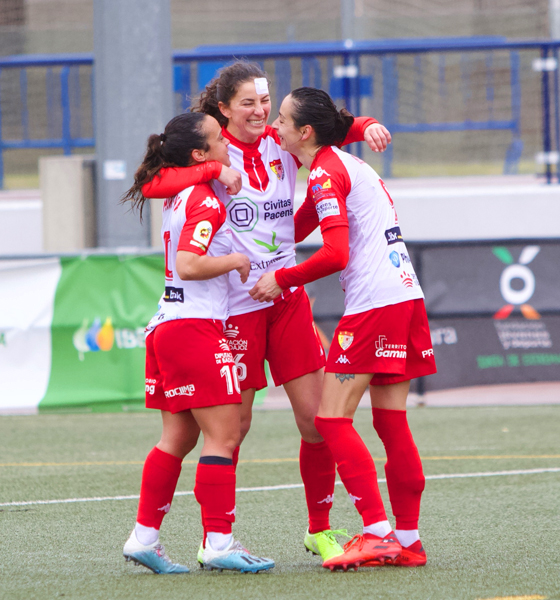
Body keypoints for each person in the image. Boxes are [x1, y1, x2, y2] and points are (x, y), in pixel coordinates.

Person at [141, 61, 393, 564]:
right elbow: (153, 185)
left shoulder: (283, 139)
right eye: (249, 103)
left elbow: (332, 126)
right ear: (224, 108)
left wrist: (366, 127)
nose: (260, 112)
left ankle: (318, 529)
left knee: (318, 421)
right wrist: (215, 169)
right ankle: (217, 537)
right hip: (232, 309)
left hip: (284, 298)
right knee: (232, 428)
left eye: (265, 101)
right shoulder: (209, 148)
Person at [250, 87, 436, 571]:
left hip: (374, 305)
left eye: (282, 120)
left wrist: (280, 278)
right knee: (391, 423)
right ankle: (408, 541)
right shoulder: (339, 165)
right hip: (405, 297)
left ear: (304, 132)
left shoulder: (328, 173)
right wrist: (253, 241)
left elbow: (336, 255)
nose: (275, 127)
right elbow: (297, 226)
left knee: (330, 421)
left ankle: (376, 532)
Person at [120, 111, 275, 575]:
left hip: (169, 324)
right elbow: (188, 264)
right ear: (199, 154)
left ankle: (144, 537)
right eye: (217, 140)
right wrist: (235, 260)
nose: (227, 144)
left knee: (179, 436)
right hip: (194, 327)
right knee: (224, 434)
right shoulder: (205, 200)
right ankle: (219, 543)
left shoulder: (182, 190)